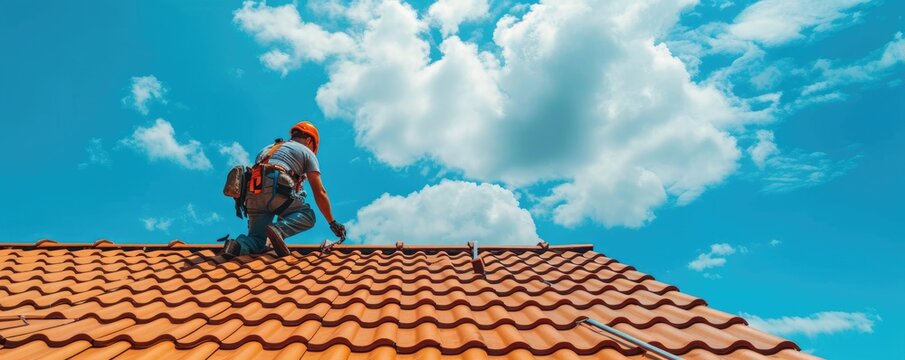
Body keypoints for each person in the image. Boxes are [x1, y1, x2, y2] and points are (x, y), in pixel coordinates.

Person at [221, 121, 345, 257]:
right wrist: (332, 222)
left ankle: (236, 246)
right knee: (307, 215)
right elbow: (319, 192)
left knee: (256, 240)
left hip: (253, 192)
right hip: (276, 188)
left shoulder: (268, 148)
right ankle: (279, 230)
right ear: (309, 141)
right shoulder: (307, 152)